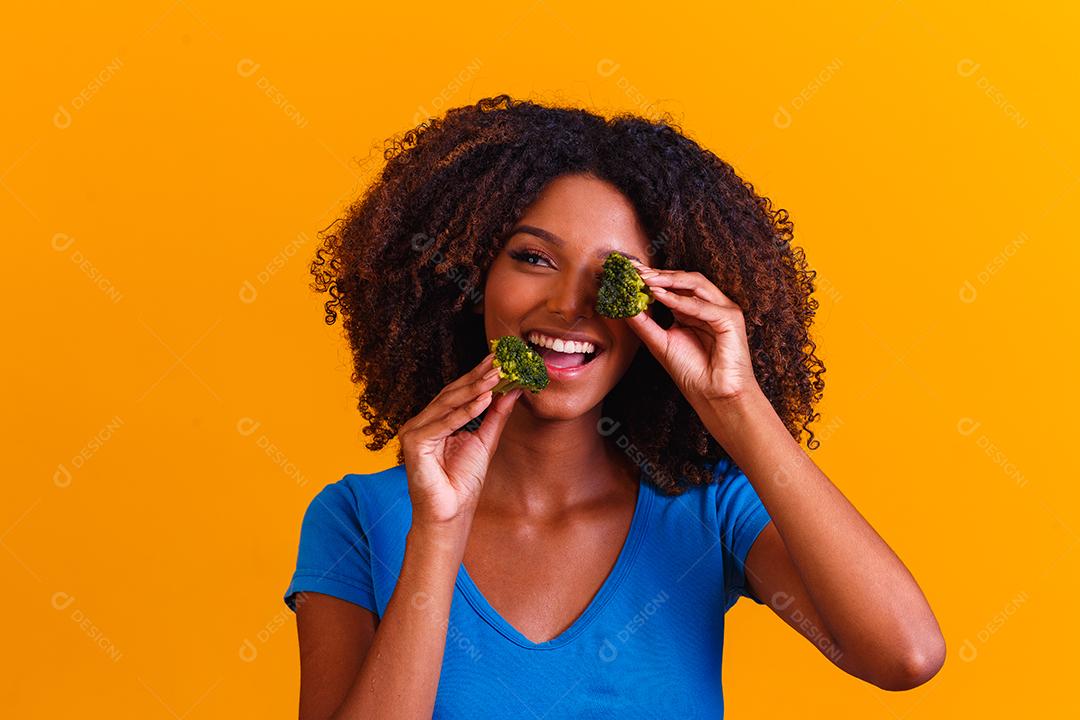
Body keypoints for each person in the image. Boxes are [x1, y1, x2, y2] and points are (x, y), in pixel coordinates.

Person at [283, 94, 945, 719]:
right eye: (535, 257)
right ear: (470, 277)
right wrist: (436, 536)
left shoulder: (708, 511)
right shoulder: (358, 519)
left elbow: (905, 656)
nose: (570, 304)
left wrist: (737, 404)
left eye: (615, 274)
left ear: (660, 304)